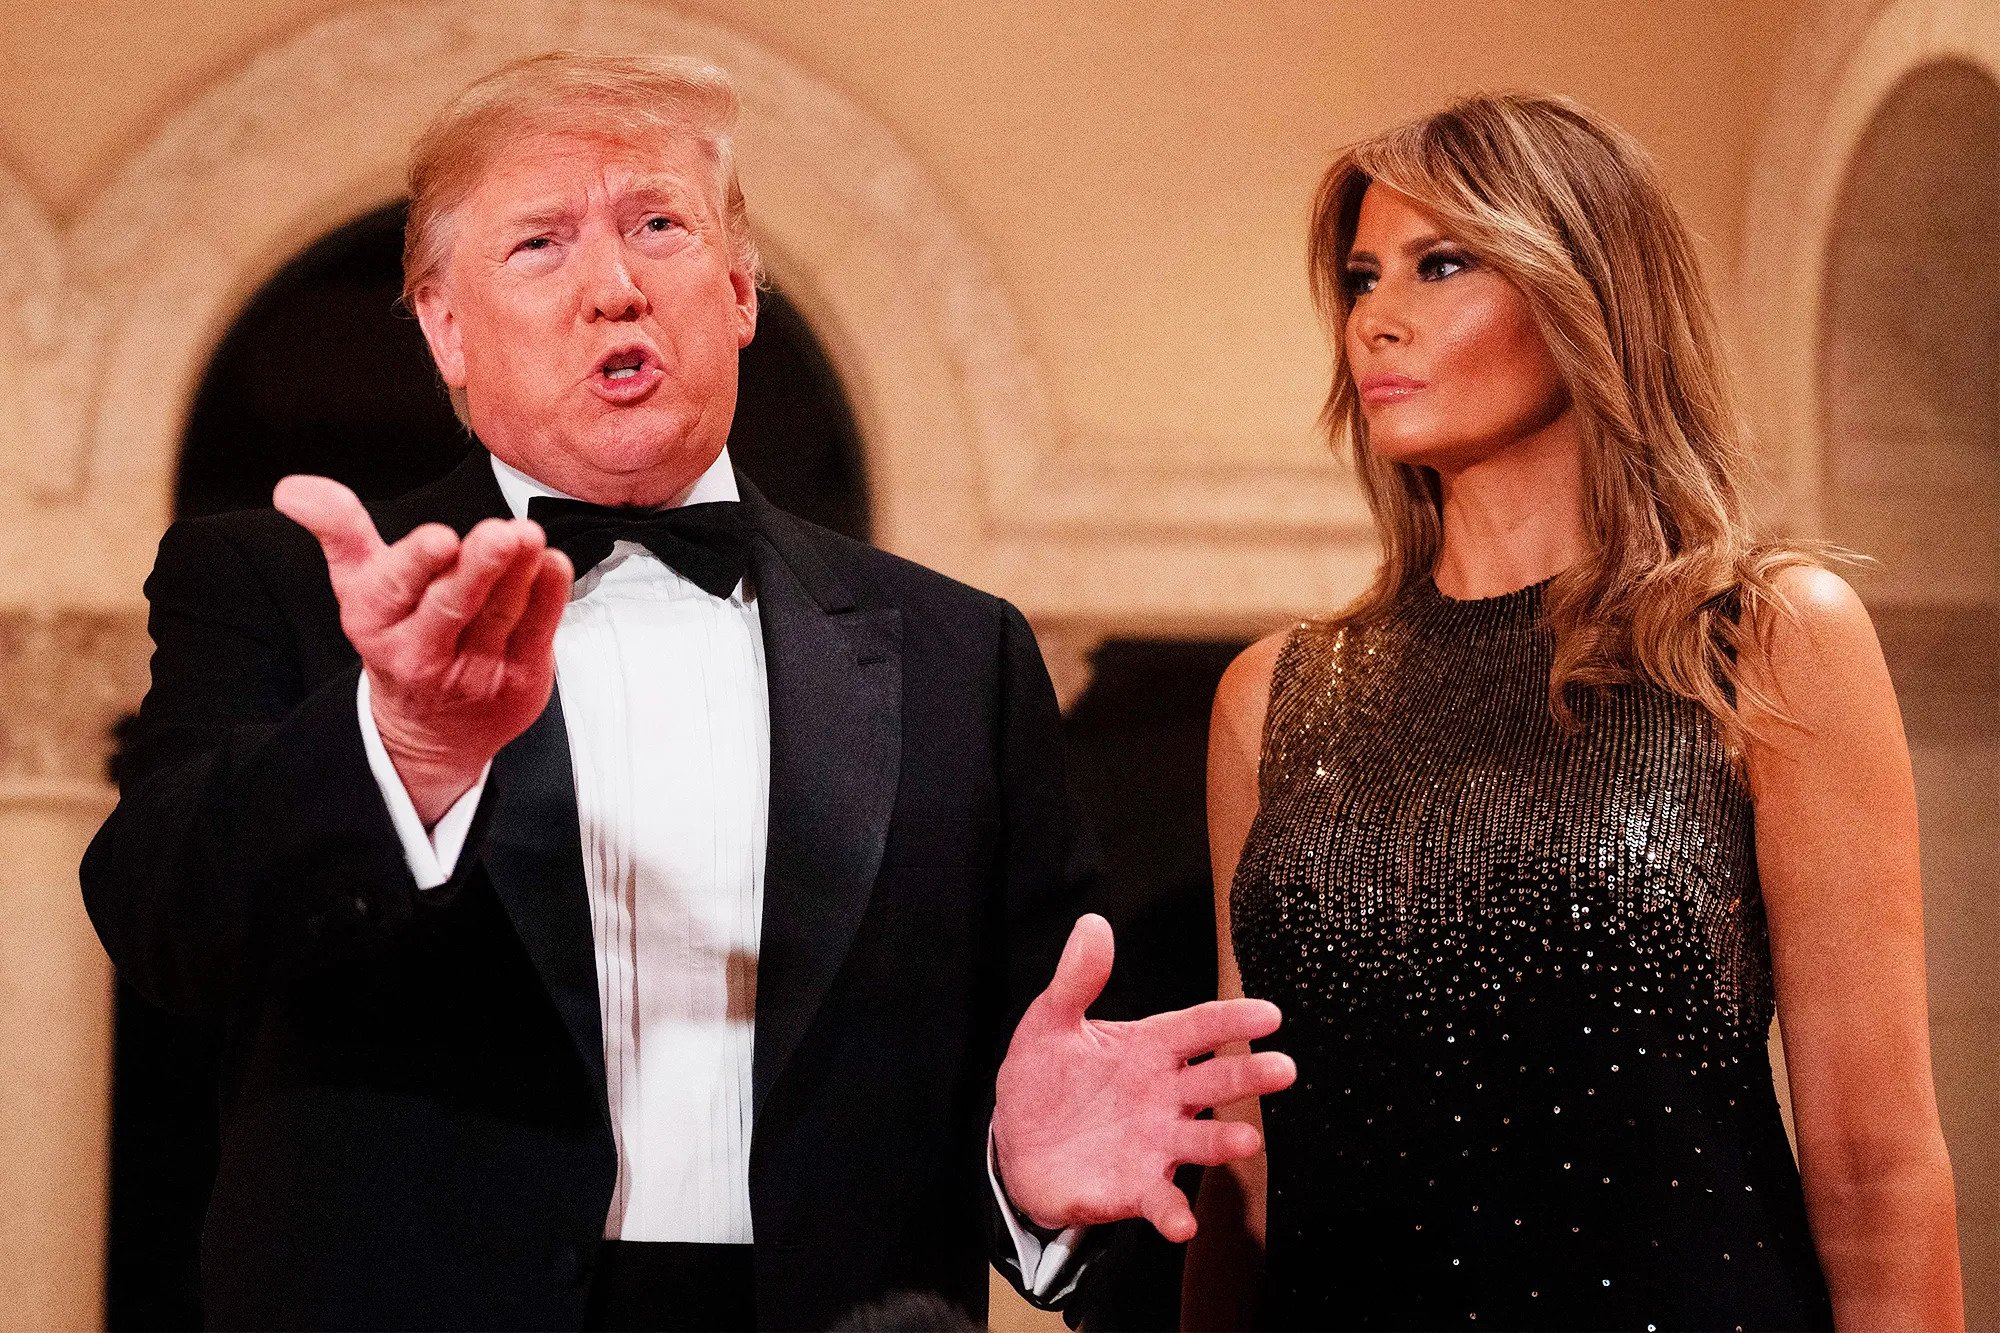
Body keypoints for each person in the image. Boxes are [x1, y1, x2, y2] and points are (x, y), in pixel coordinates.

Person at [81, 52, 1295, 1332]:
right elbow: (164, 923)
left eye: (657, 226)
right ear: (444, 327)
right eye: (539, 243)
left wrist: (1020, 1177)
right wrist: (402, 743)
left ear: (738, 290)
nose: (614, 286)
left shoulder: (956, 649)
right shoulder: (282, 586)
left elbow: (1050, 1053)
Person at [1183, 93, 1962, 1332]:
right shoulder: (1270, 696)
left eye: (1442, 264)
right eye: (1361, 277)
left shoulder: (1760, 636)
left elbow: (1875, 1172)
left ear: (1585, 288)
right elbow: (1247, 1169)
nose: (1374, 316)